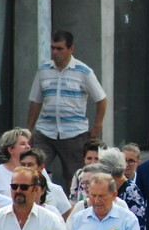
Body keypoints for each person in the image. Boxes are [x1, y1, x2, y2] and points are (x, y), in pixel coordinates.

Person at [27, 30, 107, 190]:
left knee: (75, 176)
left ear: (71, 49)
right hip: (45, 132)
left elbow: (101, 99)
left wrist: (97, 126)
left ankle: (74, 208)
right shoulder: (43, 71)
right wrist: (28, 130)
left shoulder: (83, 71)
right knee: (36, 172)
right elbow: (35, 101)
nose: (55, 52)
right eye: (53, 48)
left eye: (59, 48)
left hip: (74, 134)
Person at [19, 149, 72, 219]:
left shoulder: (55, 190)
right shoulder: (14, 188)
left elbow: (68, 218)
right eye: (23, 164)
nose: (25, 168)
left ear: (41, 167)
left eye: (30, 165)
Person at [0, 128, 32, 195]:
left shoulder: (37, 168)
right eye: (23, 144)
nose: (28, 146)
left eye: (28, 143)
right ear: (11, 149)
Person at [68, 138, 106, 205]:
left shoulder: (107, 176)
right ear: (84, 159)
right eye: (89, 158)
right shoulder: (78, 174)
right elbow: (72, 200)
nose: (93, 162)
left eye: (97, 159)